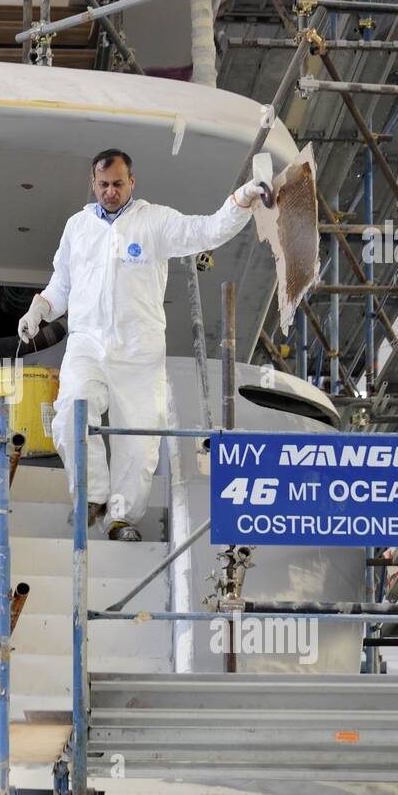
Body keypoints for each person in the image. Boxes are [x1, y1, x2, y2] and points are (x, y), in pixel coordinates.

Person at [18, 148, 266, 542]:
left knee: (138, 439)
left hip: (139, 349)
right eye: (103, 184)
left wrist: (242, 200)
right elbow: (60, 286)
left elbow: (207, 230)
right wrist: (39, 309)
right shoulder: (77, 227)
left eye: (118, 184)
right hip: (87, 343)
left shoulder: (154, 222)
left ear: (132, 182)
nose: (110, 191)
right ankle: (93, 497)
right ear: (93, 183)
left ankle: (121, 518)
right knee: (69, 415)